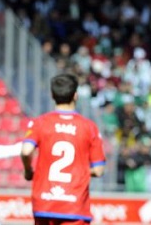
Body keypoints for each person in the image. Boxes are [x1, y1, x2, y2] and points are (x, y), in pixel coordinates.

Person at [21, 74, 106, 225]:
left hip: (44, 203)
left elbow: (26, 151)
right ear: (75, 95)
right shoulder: (89, 126)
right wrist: (80, 170)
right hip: (74, 204)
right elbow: (98, 170)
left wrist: (28, 170)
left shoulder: (40, 122)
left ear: (52, 95)